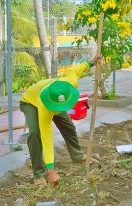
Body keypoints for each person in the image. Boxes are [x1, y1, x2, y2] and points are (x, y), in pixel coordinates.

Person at [20, 55, 101, 186]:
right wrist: (51, 170)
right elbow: (47, 138)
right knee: (35, 133)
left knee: (68, 126)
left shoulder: (70, 82)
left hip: (55, 97)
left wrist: (91, 63)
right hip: (30, 102)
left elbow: (75, 70)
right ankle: (39, 174)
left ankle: (77, 155)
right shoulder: (44, 106)